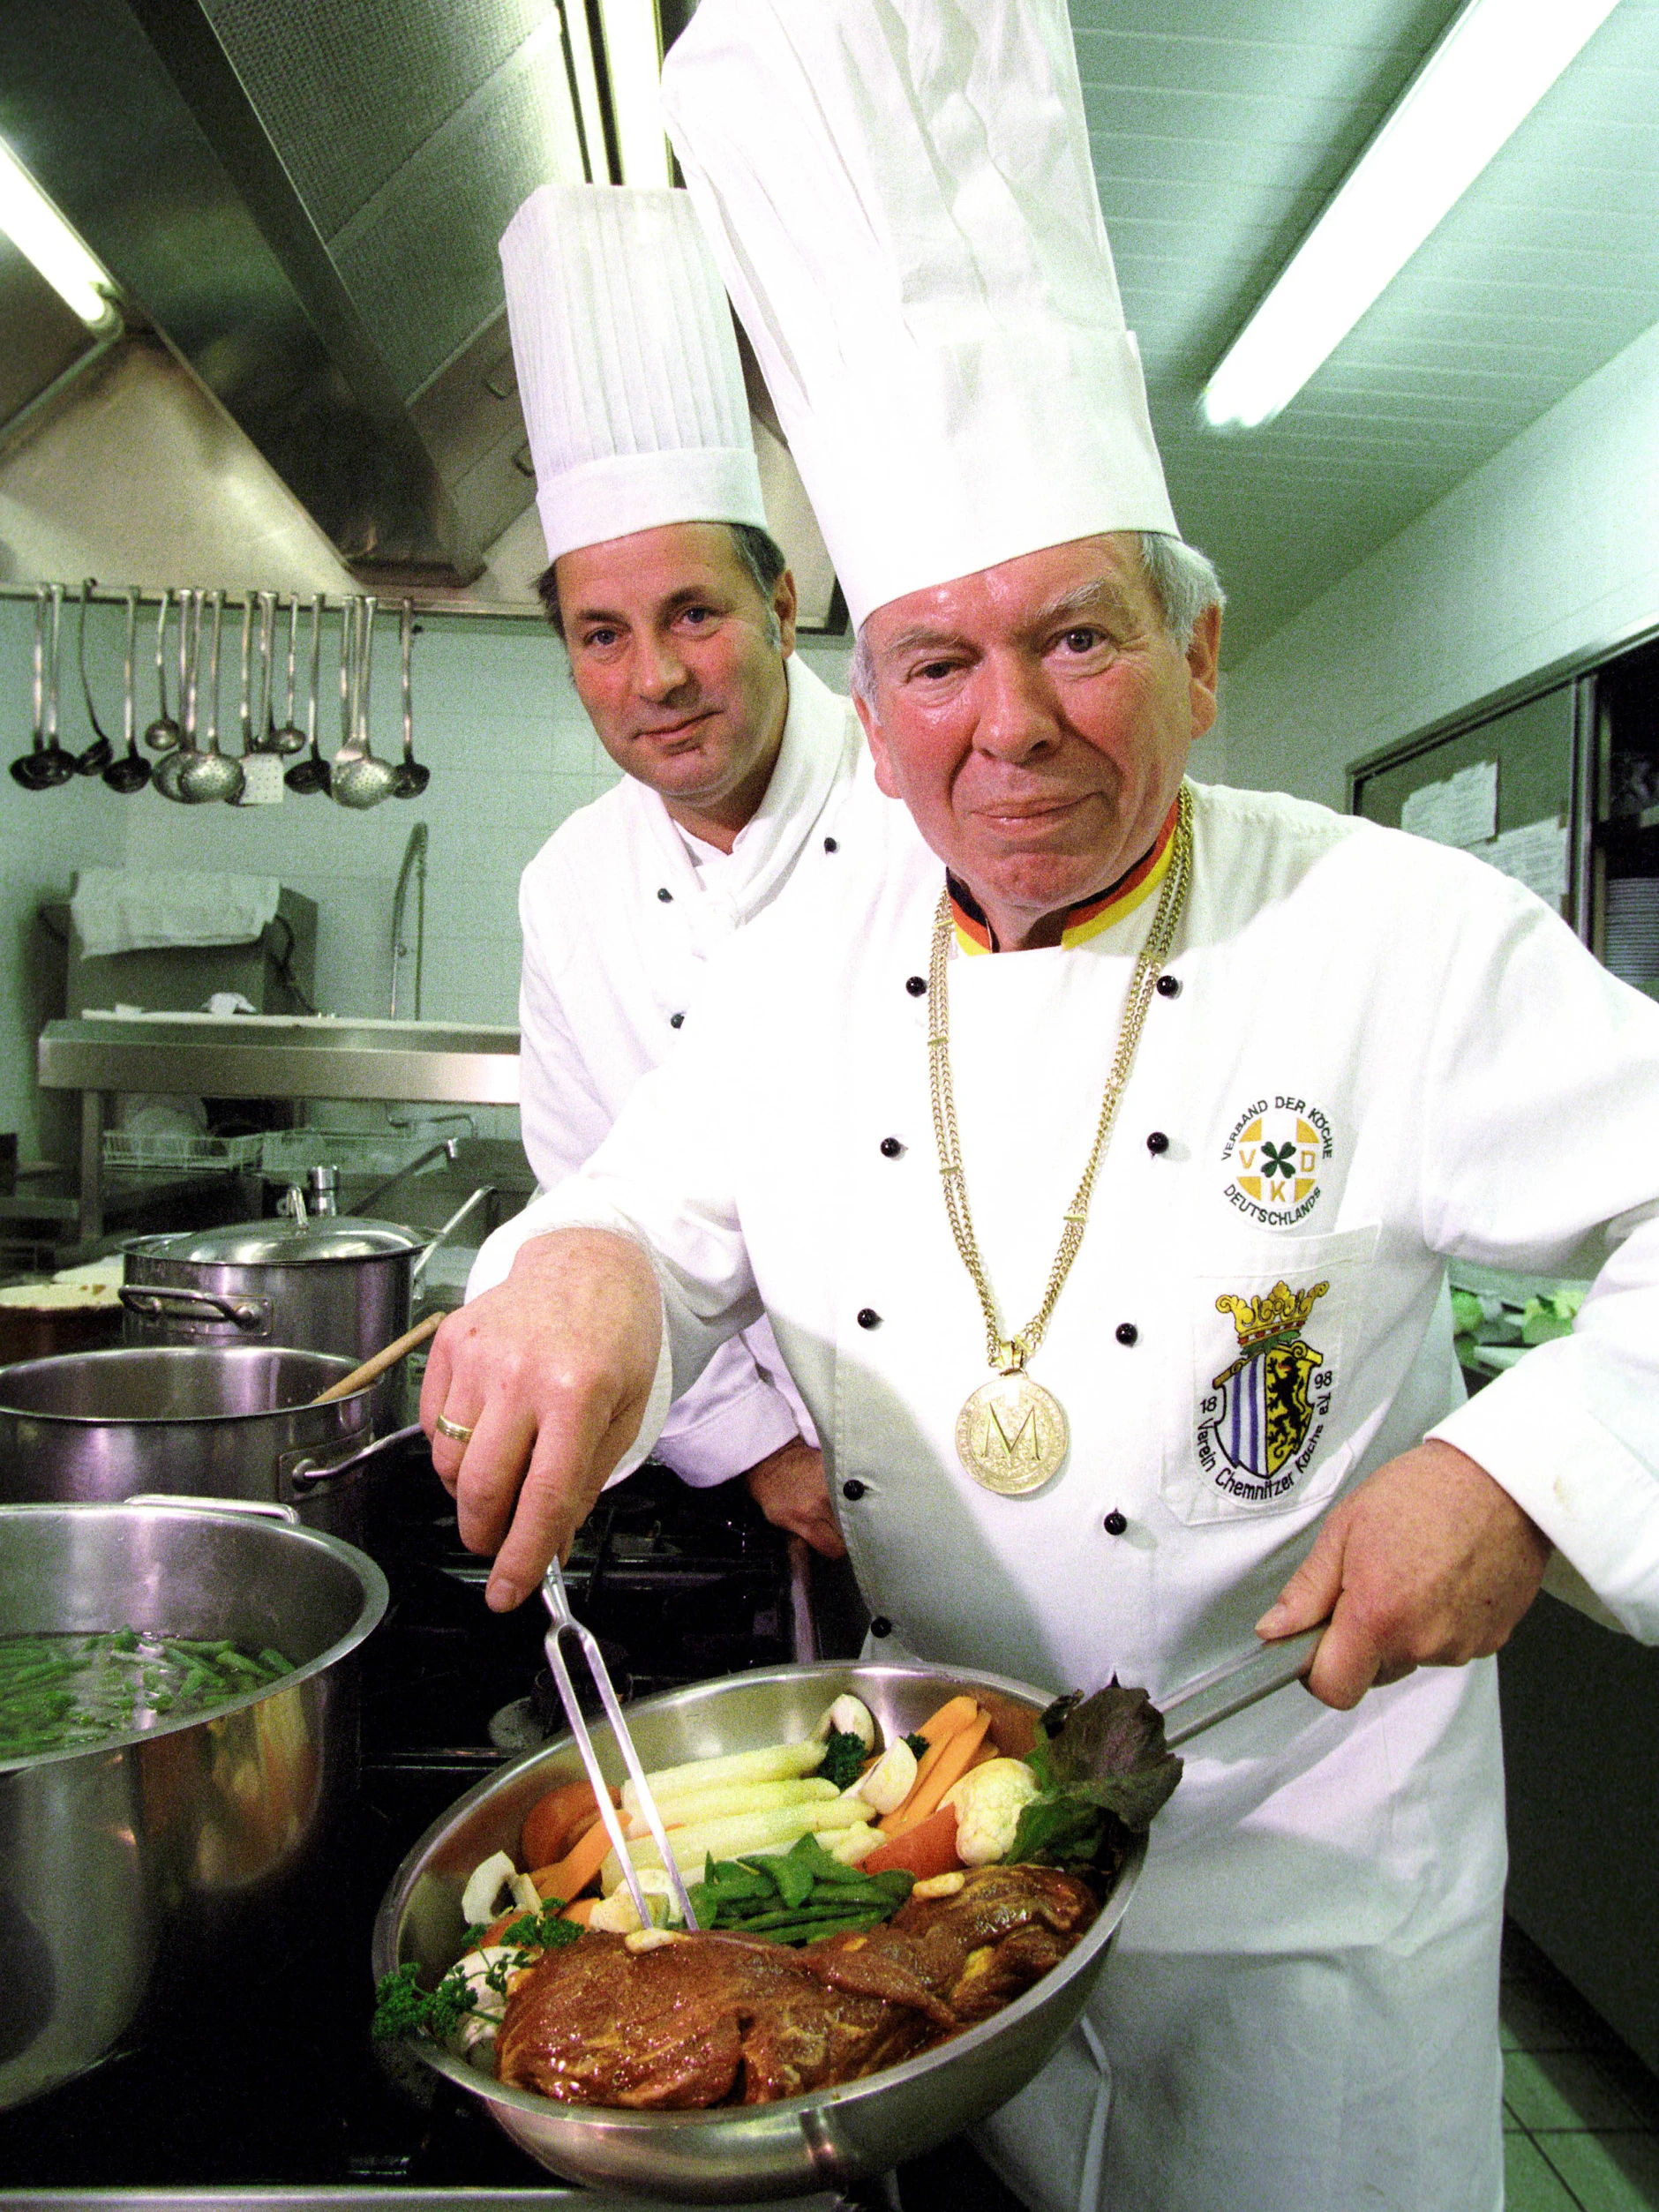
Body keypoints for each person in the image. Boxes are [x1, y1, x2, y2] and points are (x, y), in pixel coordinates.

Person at [426, 11, 1659, 2209]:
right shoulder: (808, 961)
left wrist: (1527, 1467)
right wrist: (586, 1283)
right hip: (938, 1899)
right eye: (936, 663)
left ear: (1201, 656)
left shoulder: (1401, 934)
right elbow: (637, 1202)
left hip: (1306, 1882)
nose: (1011, 731)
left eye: (1078, 640)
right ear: (869, 709)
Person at [495, 183, 867, 1557]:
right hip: (748, 1476)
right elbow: (585, 1184)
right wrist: (756, 1439)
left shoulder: (925, 807)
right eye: (601, 635)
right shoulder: (571, 885)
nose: (653, 678)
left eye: (693, 613)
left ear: (781, 605)